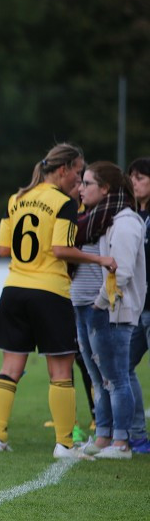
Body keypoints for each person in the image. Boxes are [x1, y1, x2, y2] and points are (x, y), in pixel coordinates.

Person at [0, 143, 116, 458]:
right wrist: (100, 260)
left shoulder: (16, 198)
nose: (79, 178)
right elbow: (60, 249)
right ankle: (63, 444)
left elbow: (3, 249)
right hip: (48, 292)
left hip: (14, 289)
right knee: (60, 371)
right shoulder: (63, 202)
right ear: (62, 170)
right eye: (77, 170)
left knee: (9, 368)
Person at [73, 162, 146, 459]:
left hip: (115, 312)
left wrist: (100, 302)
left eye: (87, 183)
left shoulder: (126, 222)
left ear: (105, 189)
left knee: (116, 378)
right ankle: (103, 436)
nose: (81, 188)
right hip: (102, 309)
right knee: (100, 379)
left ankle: (121, 442)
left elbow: (123, 271)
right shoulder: (107, 219)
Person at [123, 157, 150, 453]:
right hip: (136, 309)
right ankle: (138, 435)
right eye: (131, 177)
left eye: (140, 177)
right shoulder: (131, 216)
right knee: (121, 367)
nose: (134, 182)